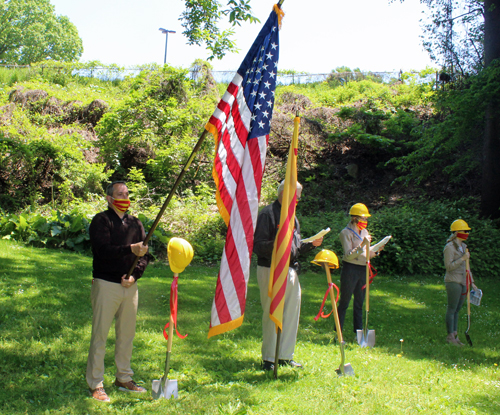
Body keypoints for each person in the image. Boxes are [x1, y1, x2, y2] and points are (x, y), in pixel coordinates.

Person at [86, 181, 149, 402]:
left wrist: (135, 276)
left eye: (127, 193)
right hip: (106, 284)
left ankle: (123, 377)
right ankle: (96, 383)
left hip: (130, 287)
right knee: (100, 335)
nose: (124, 196)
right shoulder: (101, 221)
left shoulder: (136, 223)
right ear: (109, 198)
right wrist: (128, 249)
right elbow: (102, 250)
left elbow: (144, 255)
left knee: (126, 335)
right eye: (119, 194)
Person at [253, 181, 323, 371]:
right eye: (296, 197)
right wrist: (277, 244)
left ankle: (284, 356)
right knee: (271, 312)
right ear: (284, 194)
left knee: (291, 313)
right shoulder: (268, 214)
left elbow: (294, 248)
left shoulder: (293, 218)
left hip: (291, 271)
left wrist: (311, 244)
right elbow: (258, 246)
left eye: (298, 199)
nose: (297, 201)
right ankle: (269, 358)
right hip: (271, 269)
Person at [337, 203, 381, 335]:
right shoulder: (345, 233)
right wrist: (362, 245)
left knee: (359, 303)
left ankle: (359, 333)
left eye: (367, 219)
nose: (366, 221)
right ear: (355, 218)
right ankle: (337, 332)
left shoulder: (364, 232)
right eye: (364, 218)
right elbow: (348, 255)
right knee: (344, 302)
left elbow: (366, 254)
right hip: (350, 269)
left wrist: (376, 251)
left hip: (363, 269)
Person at [444, 219, 478, 346]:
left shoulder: (464, 247)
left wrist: (472, 282)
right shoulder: (449, 248)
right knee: (452, 308)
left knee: (457, 309)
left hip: (464, 281)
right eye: (465, 231)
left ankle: (455, 335)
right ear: (457, 232)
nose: (467, 233)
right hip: (453, 281)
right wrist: (462, 258)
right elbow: (449, 266)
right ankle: (450, 336)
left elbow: (467, 267)